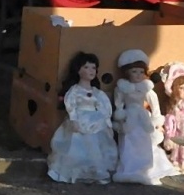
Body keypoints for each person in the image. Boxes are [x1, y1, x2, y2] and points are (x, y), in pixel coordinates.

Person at [47, 52, 116, 184]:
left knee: (95, 147)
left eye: (93, 68)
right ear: (78, 70)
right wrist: (73, 119)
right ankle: (75, 171)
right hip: (79, 120)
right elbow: (70, 104)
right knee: (76, 146)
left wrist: (106, 122)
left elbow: (105, 107)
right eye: (86, 67)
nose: (91, 71)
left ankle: (94, 170)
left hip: (95, 122)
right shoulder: (74, 90)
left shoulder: (97, 92)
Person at [111, 49, 176, 184]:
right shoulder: (122, 88)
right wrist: (119, 115)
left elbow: (154, 103)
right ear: (127, 72)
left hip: (143, 117)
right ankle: (129, 168)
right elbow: (118, 103)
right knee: (128, 143)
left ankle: (145, 168)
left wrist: (157, 119)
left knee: (144, 142)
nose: (138, 75)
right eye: (134, 71)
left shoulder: (146, 88)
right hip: (129, 117)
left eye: (141, 72)